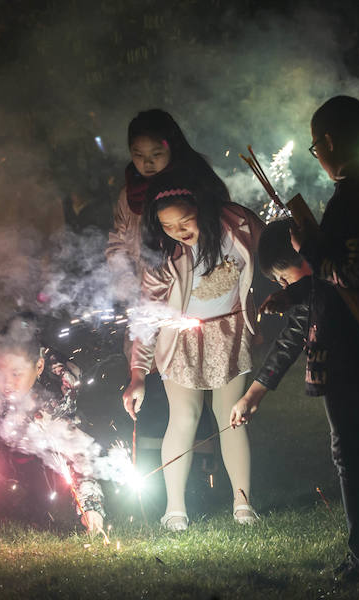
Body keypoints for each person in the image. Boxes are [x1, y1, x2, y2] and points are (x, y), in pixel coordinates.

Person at [240, 96, 359, 580]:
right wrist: (299, 290)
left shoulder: (356, 196)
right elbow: (343, 273)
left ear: (328, 143)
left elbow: (350, 271)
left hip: (353, 346)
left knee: (353, 453)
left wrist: (308, 244)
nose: (315, 155)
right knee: (357, 450)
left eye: (315, 144)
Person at [121, 168, 263, 531]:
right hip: (182, 341)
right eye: (168, 226)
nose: (178, 232)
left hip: (229, 333)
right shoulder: (163, 257)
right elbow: (148, 318)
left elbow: (267, 258)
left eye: (185, 221)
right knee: (182, 418)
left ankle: (243, 505)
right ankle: (175, 510)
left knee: (231, 418)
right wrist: (138, 374)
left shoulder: (239, 226)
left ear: (203, 208)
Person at [106, 110, 227, 465]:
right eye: (138, 155)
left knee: (190, 383)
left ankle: (205, 463)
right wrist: (125, 279)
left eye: (155, 154)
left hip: (188, 297)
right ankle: (154, 461)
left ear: (171, 146)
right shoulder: (128, 195)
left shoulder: (194, 185)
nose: (146, 163)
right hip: (146, 294)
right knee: (145, 376)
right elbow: (118, 241)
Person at [0, 317, 105, 533]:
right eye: (0, 373)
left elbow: (78, 454)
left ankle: (37, 499)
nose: (7, 383)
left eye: (16, 374)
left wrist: (90, 506)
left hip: (39, 447)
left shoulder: (57, 394)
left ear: (39, 366)